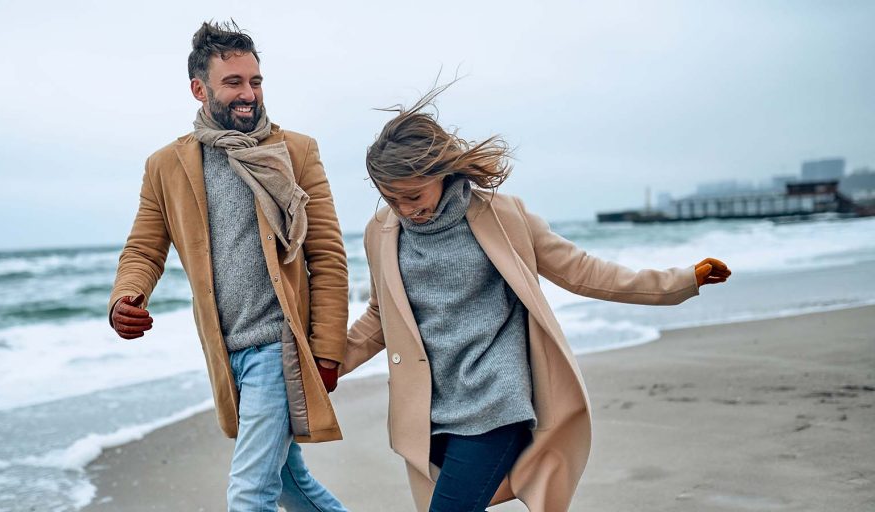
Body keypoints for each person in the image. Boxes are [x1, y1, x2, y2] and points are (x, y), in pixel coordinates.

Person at [341, 86, 731, 512]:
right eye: (391, 198)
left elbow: (582, 271)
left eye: (413, 196)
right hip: (429, 413)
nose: (404, 209)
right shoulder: (381, 232)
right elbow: (380, 318)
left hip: (495, 402)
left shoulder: (502, 216)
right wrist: (327, 365)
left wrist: (679, 282)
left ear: (441, 172)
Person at [108, 21, 349, 512]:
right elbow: (144, 249)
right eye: (233, 82)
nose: (248, 94)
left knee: (249, 494)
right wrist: (124, 299)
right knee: (289, 484)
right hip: (225, 351)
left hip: (278, 346)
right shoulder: (166, 166)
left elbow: (326, 254)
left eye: (255, 81)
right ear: (200, 89)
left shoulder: (295, 151)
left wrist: (327, 348)